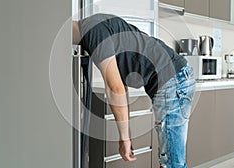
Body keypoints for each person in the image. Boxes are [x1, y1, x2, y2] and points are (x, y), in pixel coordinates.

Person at [73, 13, 195, 168]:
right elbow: (120, 86)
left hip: (172, 80)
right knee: (173, 160)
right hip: (177, 76)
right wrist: (126, 134)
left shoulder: (92, 32)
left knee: (172, 163)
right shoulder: (97, 22)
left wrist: (124, 138)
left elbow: (115, 88)